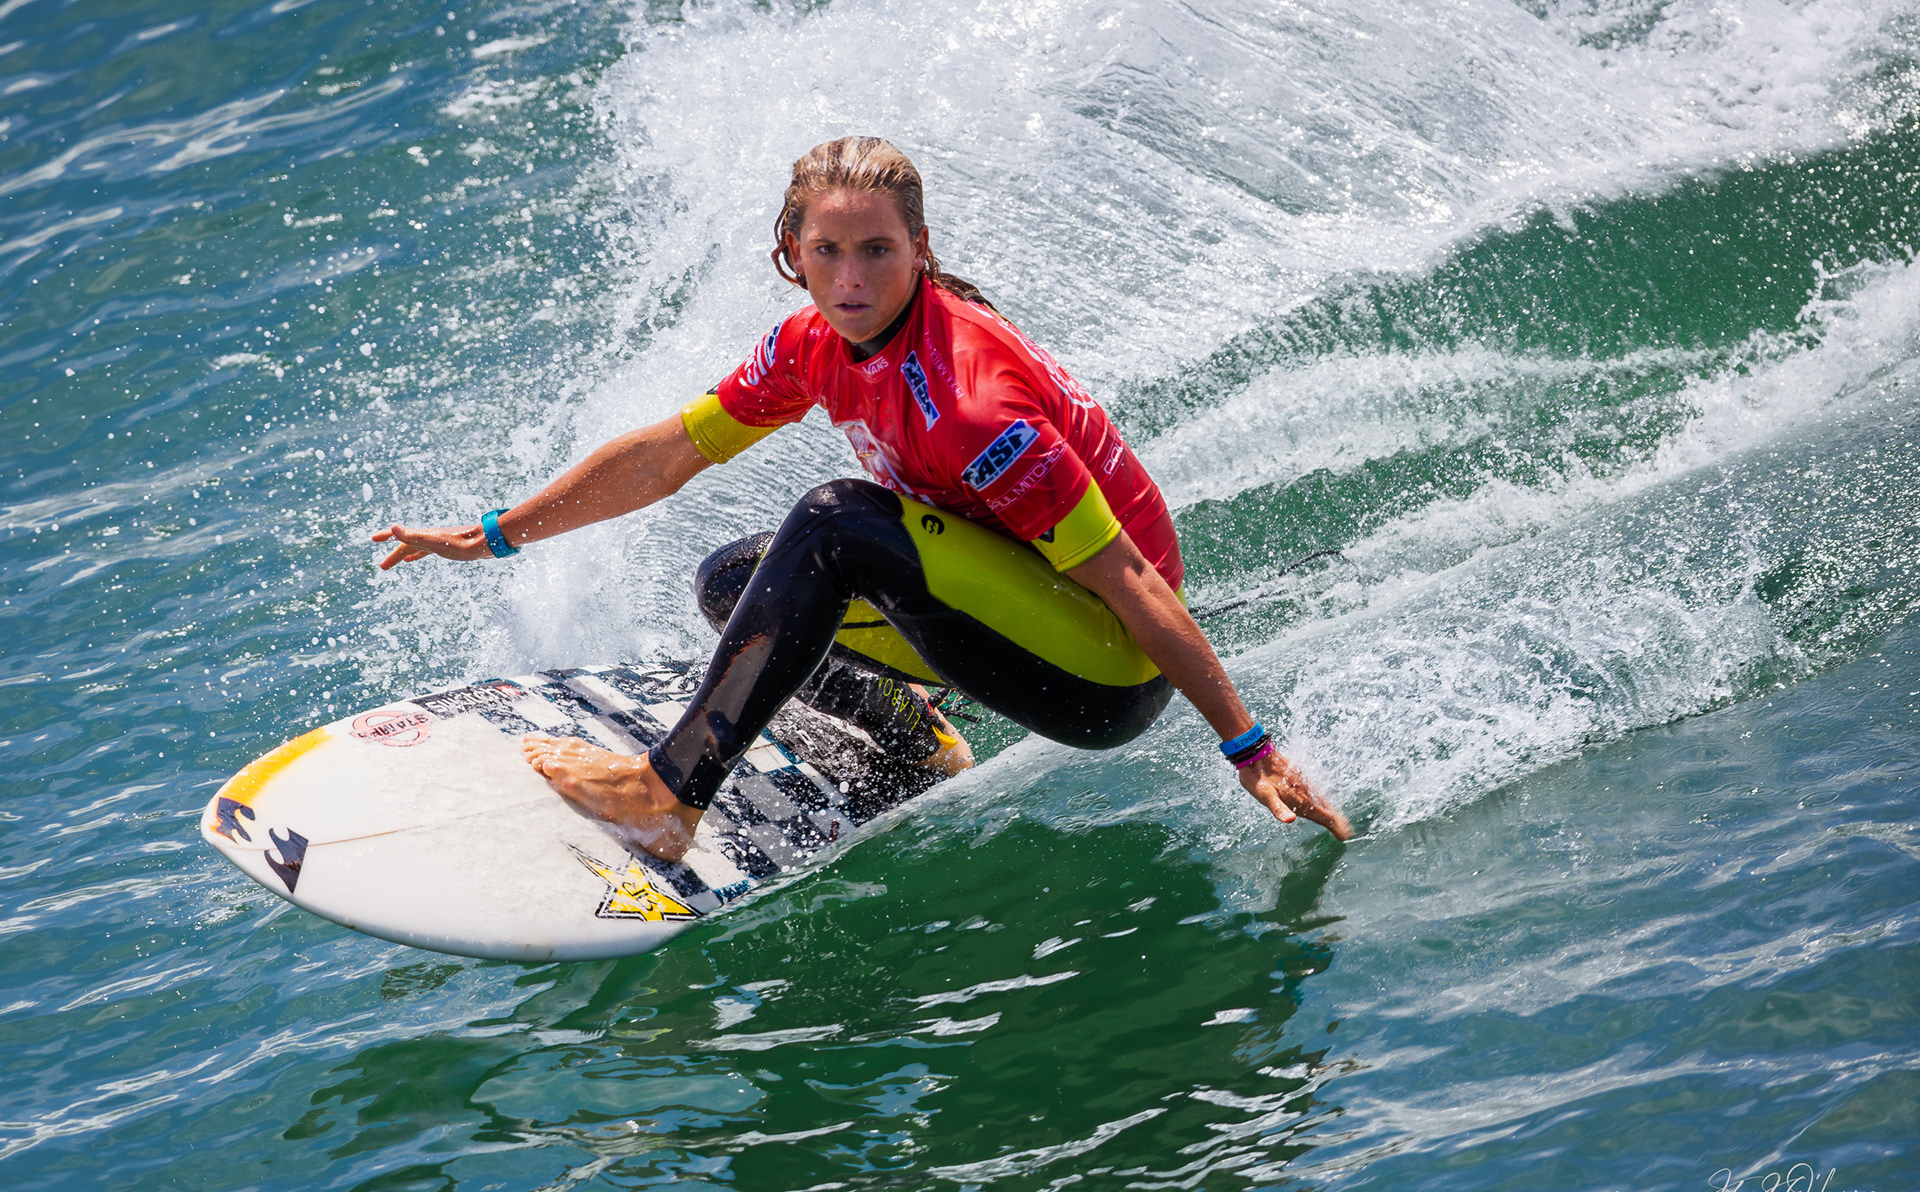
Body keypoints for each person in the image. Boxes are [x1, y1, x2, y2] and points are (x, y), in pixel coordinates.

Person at [373, 136, 1352, 858]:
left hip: (1104, 668)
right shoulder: (812, 346)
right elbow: (666, 455)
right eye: (828, 251)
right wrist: (496, 533)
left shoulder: (973, 402)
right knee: (738, 585)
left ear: (920, 248)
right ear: (791, 250)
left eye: (877, 250)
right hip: (1012, 605)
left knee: (834, 522)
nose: (851, 279)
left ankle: (667, 795)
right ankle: (915, 744)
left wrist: (1250, 748)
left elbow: (1134, 582)